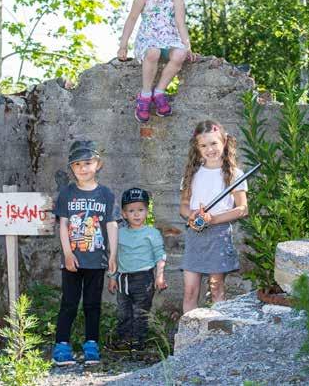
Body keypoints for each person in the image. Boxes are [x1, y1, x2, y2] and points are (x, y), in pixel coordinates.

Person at [52, 140, 119, 366]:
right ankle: (61, 345)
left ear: (98, 164)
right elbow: (63, 225)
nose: (83, 168)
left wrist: (112, 254)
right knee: (69, 303)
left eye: (88, 163)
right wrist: (68, 254)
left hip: (96, 260)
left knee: (93, 304)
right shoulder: (67, 194)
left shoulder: (106, 195)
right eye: (77, 164)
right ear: (72, 168)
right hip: (73, 260)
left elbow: (111, 224)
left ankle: (91, 344)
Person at [117, 0, 198, 123]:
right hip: (148, 38)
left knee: (180, 53)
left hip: (170, 39)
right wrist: (123, 45)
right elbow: (132, 18)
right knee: (152, 52)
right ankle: (145, 95)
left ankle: (159, 91)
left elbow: (180, 21)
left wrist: (187, 45)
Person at [179, 120, 249, 313]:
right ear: (197, 147)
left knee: (216, 287)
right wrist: (191, 215)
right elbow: (184, 206)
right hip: (195, 235)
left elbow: (243, 209)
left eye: (213, 143)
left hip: (218, 235)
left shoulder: (235, 174)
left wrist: (214, 219)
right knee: (190, 291)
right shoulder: (191, 174)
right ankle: (190, 337)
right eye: (204, 145)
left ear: (224, 142)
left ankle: (218, 333)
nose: (209, 149)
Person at [108, 188, 167, 350]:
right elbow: (115, 256)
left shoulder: (152, 233)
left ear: (147, 211)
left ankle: (138, 342)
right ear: (124, 214)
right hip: (123, 278)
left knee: (140, 312)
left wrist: (159, 276)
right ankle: (123, 340)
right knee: (123, 312)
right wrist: (112, 277)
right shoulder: (119, 233)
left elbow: (160, 255)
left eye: (140, 210)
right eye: (131, 211)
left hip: (144, 278)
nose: (136, 214)